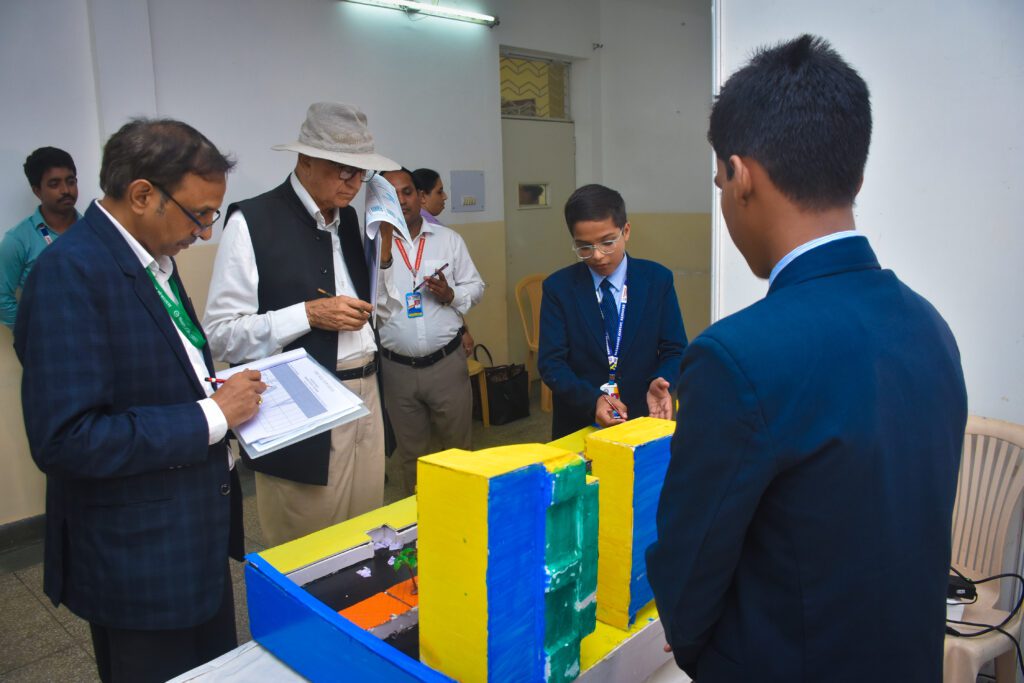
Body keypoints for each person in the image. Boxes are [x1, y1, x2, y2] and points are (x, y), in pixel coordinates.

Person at [645, 35, 968, 682]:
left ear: (740, 177)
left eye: (718, 181)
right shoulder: (929, 326)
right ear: (855, 175)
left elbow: (689, 579)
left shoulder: (736, 358)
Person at [14, 118, 266, 683]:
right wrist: (212, 415)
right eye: (199, 214)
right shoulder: (69, 273)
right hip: (139, 559)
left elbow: (159, 368)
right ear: (142, 195)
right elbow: (66, 439)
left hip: (190, 537)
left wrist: (217, 392)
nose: (205, 233)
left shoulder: (152, 259)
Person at [204, 102, 398, 546]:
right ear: (305, 160)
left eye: (361, 172)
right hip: (301, 405)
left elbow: (375, 313)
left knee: (365, 535)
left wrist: (382, 257)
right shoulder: (253, 221)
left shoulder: (350, 220)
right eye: (342, 170)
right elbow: (220, 335)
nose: (353, 183)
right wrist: (307, 315)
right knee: (308, 545)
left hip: (367, 392)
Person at [537, 183, 687, 439]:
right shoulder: (558, 288)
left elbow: (675, 349)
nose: (597, 255)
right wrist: (593, 400)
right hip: (580, 422)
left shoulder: (657, 280)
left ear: (625, 231)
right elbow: (552, 363)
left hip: (643, 415)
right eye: (584, 247)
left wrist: (661, 380)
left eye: (607, 243)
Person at [377, 168, 484, 494]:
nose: (401, 200)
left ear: (420, 197)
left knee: (458, 451)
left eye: (407, 192)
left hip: (446, 365)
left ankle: (463, 511)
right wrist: (383, 253)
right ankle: (420, 517)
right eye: (391, 194)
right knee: (412, 458)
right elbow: (368, 304)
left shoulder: (448, 240)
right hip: (397, 369)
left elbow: (476, 286)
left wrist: (451, 294)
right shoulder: (371, 247)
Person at [0, 147, 80, 328]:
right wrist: (32, 332)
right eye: (54, 184)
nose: (65, 190)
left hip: (98, 337)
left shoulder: (95, 229)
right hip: (52, 340)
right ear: (37, 190)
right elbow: (1, 298)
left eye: (71, 181)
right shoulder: (18, 240)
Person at [412, 167, 474, 356]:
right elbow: (446, 294)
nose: (445, 197)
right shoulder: (432, 231)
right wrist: (463, 330)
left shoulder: (443, 234)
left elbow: (456, 290)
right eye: (439, 192)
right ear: (422, 196)